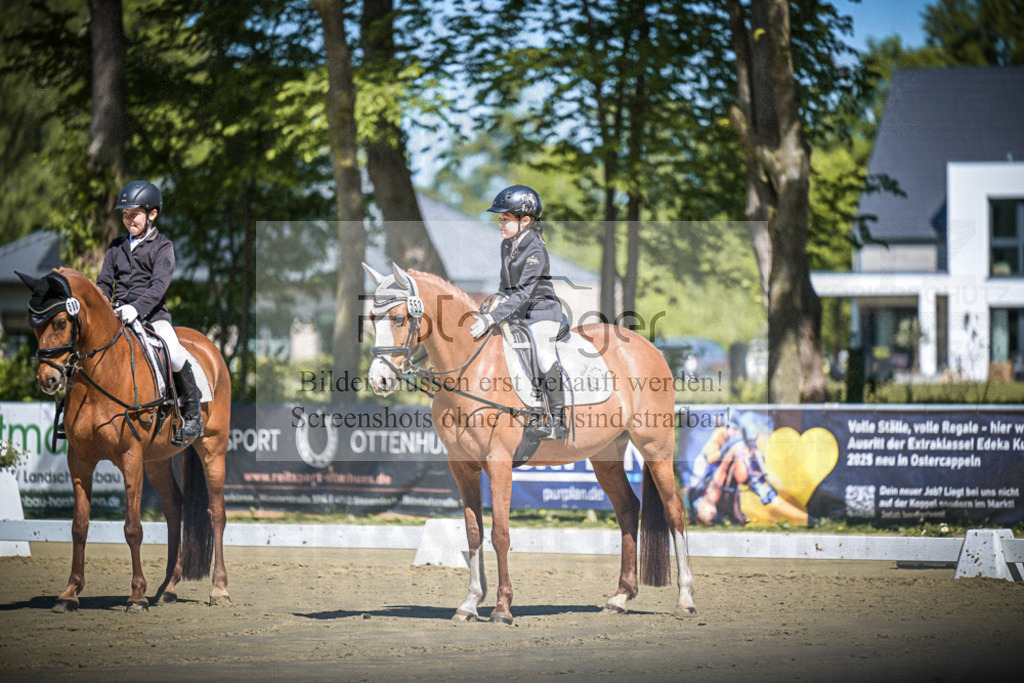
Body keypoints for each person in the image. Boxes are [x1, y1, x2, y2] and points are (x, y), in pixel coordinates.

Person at [97, 180, 203, 441]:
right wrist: (104, 307)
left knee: (175, 355)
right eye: (125, 215)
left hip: (153, 318)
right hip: (117, 316)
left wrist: (135, 308)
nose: (128, 220)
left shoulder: (163, 246)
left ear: (152, 214)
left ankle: (192, 416)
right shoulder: (115, 247)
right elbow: (102, 283)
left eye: (134, 215)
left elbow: (158, 287)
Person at [470, 184, 568, 440]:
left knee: (544, 355)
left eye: (504, 219)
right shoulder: (507, 245)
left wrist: (493, 316)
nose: (499, 223)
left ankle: (557, 420)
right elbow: (507, 286)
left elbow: (524, 293)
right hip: (517, 311)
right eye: (500, 219)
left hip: (541, 311)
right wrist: (494, 302)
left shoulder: (535, 248)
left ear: (525, 220)